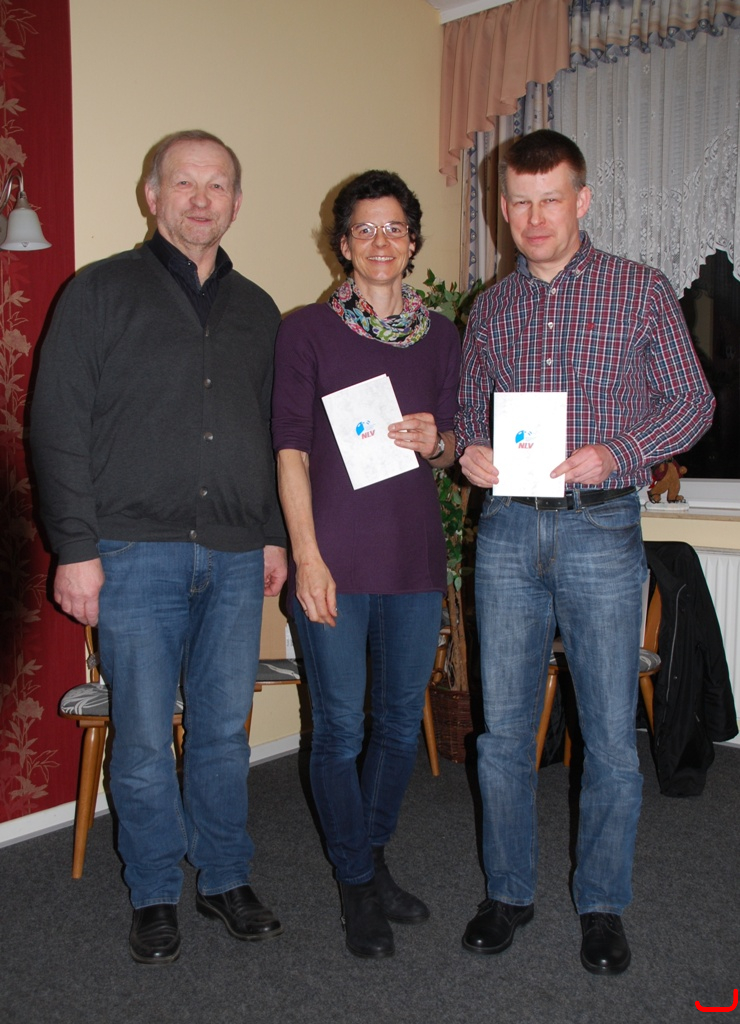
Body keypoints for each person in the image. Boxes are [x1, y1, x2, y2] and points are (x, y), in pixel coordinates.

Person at [456, 130, 714, 975]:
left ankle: (602, 905)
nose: (535, 218)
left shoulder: (640, 290)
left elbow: (694, 403)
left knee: (607, 735)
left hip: (601, 527)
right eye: (520, 203)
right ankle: (508, 892)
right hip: (506, 531)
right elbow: (468, 415)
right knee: (501, 733)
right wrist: (470, 452)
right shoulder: (489, 309)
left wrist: (620, 452)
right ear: (503, 209)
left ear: (583, 201)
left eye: (552, 200)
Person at [31, 130, 287, 965]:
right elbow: (56, 425)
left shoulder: (259, 311)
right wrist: (75, 548)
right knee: (141, 739)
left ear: (237, 203)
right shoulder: (98, 291)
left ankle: (224, 875)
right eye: (184, 183)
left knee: (223, 733)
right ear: (152, 195)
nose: (201, 199)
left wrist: (273, 534)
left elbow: (273, 434)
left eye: (218, 185)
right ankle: (152, 891)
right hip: (132, 553)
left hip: (237, 556)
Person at [272, 170, 460, 958]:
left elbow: (455, 449)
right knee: (340, 728)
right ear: (343, 245)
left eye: (395, 228)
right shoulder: (307, 331)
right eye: (365, 229)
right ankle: (355, 883)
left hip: (414, 562)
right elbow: (289, 452)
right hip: (335, 565)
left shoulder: (443, 336)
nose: (381, 241)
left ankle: (371, 857)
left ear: (412, 243)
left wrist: (438, 441)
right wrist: (307, 559)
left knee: (398, 727)